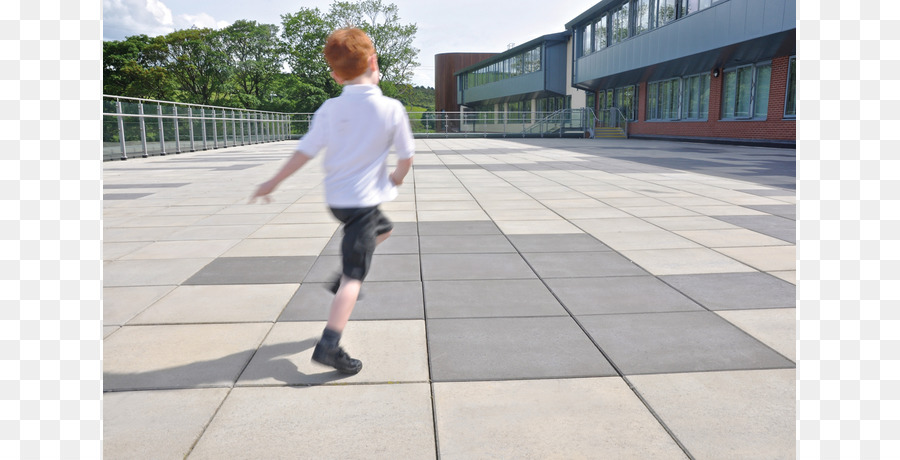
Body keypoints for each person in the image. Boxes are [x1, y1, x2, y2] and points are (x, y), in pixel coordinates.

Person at [250, 27, 415, 374]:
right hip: (362, 205)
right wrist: (396, 179)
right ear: (373, 62)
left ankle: (342, 280)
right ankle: (330, 344)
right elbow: (406, 158)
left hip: (339, 202)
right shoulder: (391, 108)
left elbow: (305, 151)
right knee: (356, 277)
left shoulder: (329, 108)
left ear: (335, 74)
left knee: (383, 229)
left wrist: (273, 182)